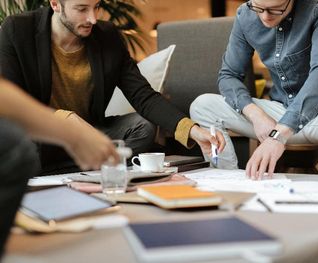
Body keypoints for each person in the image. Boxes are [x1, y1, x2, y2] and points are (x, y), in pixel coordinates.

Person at [0, 0, 225, 174]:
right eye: (81, 9)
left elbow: (143, 96)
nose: (93, 19)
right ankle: (93, 166)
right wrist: (66, 120)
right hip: (43, 135)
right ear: (55, 4)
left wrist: (194, 131)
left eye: (96, 7)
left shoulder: (107, 37)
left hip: (92, 133)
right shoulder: (18, 30)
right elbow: (12, 103)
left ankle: (87, 168)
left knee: (142, 127)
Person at [190, 0, 318, 178]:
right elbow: (228, 75)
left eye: (276, 9)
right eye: (258, 8)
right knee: (202, 105)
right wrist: (255, 114)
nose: (265, 16)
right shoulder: (245, 15)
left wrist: (279, 135)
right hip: (280, 112)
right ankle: (229, 181)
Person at [0, 77, 120, 257]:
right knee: (15, 145)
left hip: (90, 126)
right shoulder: (20, 49)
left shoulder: (110, 53)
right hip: (44, 134)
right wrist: (75, 135)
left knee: (141, 127)